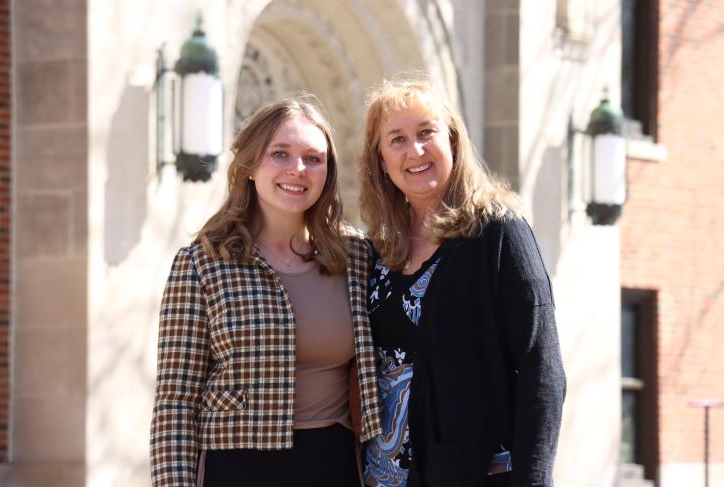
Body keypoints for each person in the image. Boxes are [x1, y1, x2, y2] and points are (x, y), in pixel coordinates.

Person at [150, 97, 382, 487]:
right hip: (237, 466)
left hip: (335, 463)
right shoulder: (201, 264)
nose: (298, 169)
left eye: (313, 158)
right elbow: (175, 403)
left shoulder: (357, 256)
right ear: (250, 166)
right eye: (280, 154)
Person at [358, 77, 566, 487]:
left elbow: (542, 368)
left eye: (426, 133)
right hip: (383, 476)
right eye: (396, 139)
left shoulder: (499, 233)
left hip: (474, 472)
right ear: (381, 160)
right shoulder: (378, 249)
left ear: (453, 141)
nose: (414, 151)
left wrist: (534, 479)